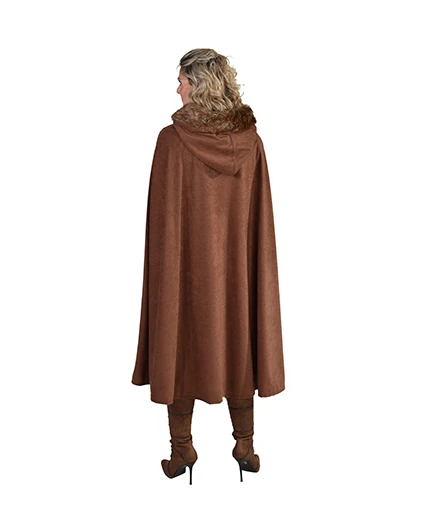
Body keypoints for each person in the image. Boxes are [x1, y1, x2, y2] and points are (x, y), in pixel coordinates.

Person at [131, 48, 285, 484]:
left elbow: (163, 225)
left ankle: (182, 450)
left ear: (197, 85)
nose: (176, 88)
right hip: (238, 271)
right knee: (239, 335)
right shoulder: (251, 142)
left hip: (185, 271)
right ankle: (245, 446)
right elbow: (257, 221)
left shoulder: (172, 140)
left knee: (178, 338)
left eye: (181, 80)